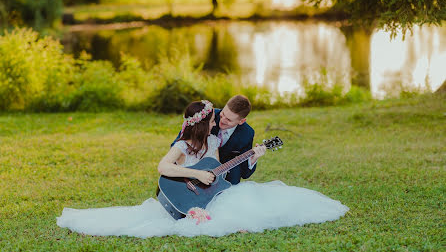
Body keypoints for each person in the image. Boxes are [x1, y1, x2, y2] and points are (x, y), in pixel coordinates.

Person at [57, 99, 349, 238]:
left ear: (241, 122)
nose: (218, 122)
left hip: (213, 190)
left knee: (250, 201)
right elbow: (163, 166)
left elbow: (223, 167)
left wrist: (253, 156)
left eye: (224, 120)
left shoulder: (215, 140)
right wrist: (196, 174)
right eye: (215, 120)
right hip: (190, 187)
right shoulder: (186, 142)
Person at [170, 95, 265, 185]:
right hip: (192, 173)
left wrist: (253, 159)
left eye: (228, 120)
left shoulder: (247, 133)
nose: (222, 120)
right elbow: (177, 145)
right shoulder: (207, 115)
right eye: (223, 114)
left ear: (241, 121)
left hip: (225, 180)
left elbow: (245, 174)